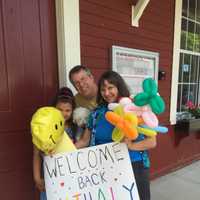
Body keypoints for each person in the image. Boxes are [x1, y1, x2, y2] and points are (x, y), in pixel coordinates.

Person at [76, 70, 156, 200]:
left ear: (119, 87)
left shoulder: (133, 108)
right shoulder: (96, 114)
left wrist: (131, 146)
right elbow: (85, 140)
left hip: (134, 166)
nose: (106, 93)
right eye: (103, 89)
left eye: (110, 88)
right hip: (104, 168)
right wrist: (64, 151)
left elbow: (152, 142)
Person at [33, 87, 82, 200]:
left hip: (72, 178)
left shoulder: (76, 128)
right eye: (59, 110)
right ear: (53, 108)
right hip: (51, 178)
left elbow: (82, 146)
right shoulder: (44, 128)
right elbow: (36, 154)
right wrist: (37, 178)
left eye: (67, 110)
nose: (63, 114)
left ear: (72, 110)